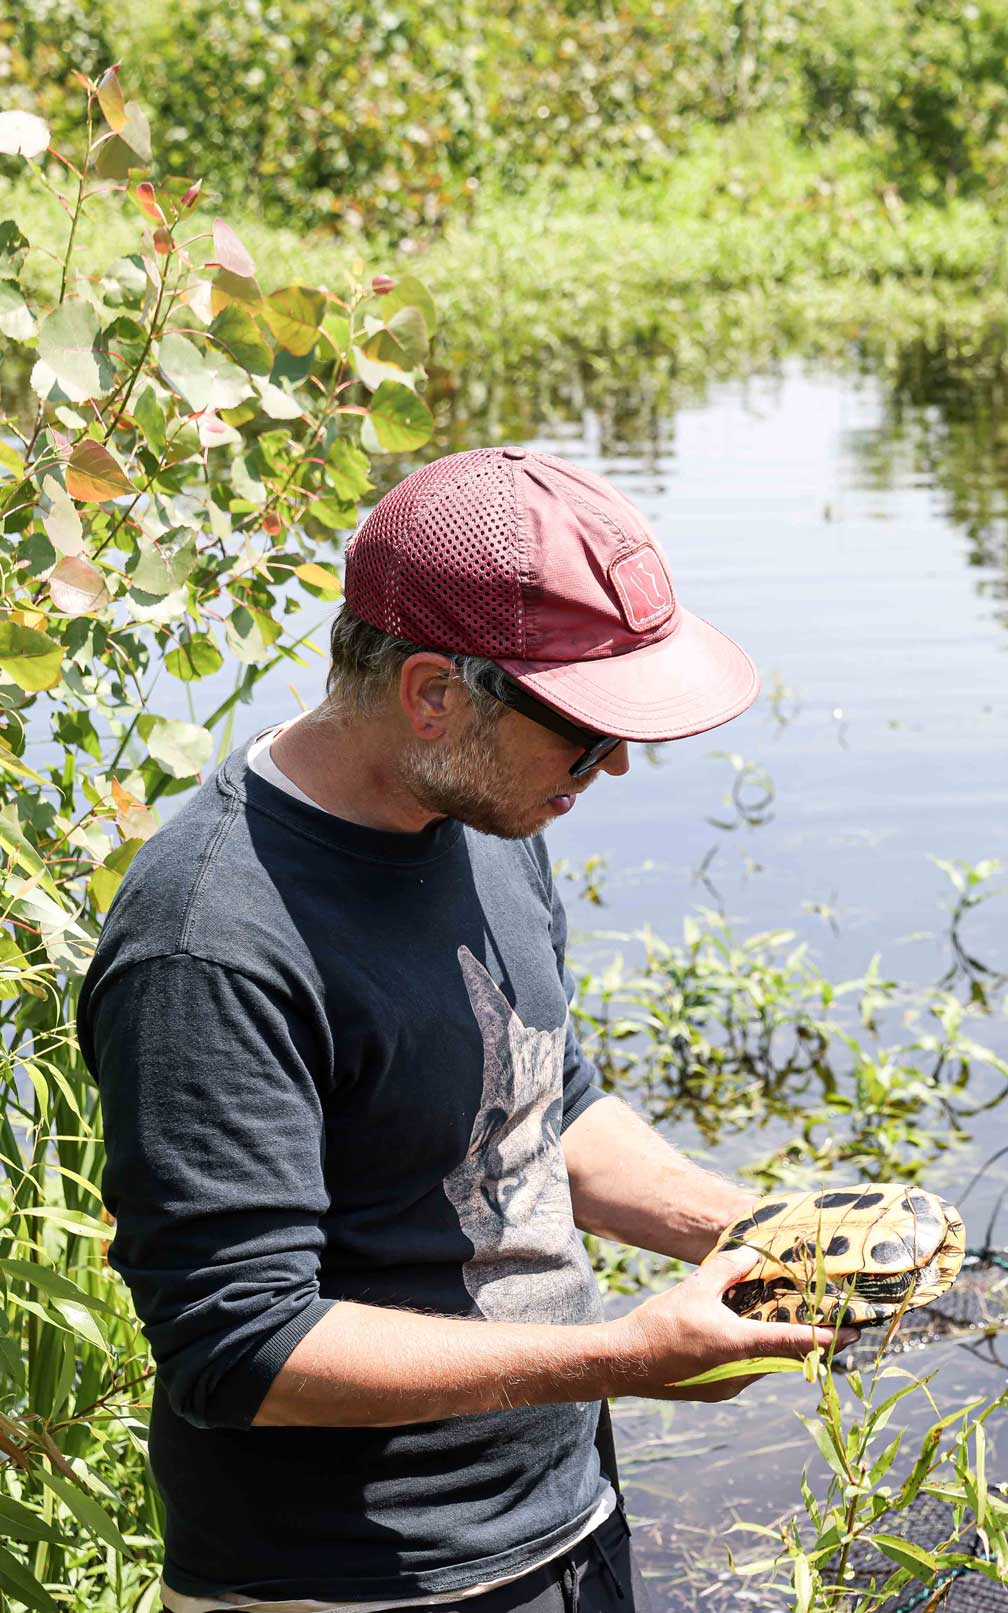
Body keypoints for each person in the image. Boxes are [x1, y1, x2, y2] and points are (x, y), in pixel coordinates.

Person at [85, 448, 845, 1613]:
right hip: (351, 1580)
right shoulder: (211, 940)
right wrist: (624, 1357)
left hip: (565, 1515)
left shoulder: (484, 807)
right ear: (435, 692)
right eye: (584, 730)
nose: (617, 761)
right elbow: (238, 1346)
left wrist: (760, 1236)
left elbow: (549, 1105)